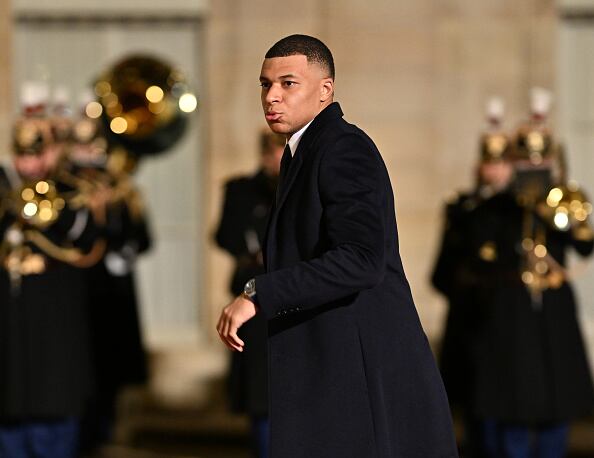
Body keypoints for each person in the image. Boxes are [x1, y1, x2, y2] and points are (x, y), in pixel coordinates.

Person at [217, 34, 457, 458]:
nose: (271, 96)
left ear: (325, 90)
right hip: (332, 375)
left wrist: (258, 294)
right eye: (264, 84)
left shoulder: (343, 148)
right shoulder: (304, 151)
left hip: (360, 383)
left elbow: (362, 260)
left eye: (288, 84)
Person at [0, 117, 101, 458]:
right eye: (21, 155)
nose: (28, 164)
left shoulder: (72, 190)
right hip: (10, 333)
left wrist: (49, 206)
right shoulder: (3, 188)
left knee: (53, 421)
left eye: (36, 154)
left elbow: (89, 240)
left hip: (54, 331)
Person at [215, 130, 284, 458]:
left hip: (292, 298)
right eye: (274, 151)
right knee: (262, 394)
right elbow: (225, 236)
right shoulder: (242, 190)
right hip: (254, 297)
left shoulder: (300, 187)